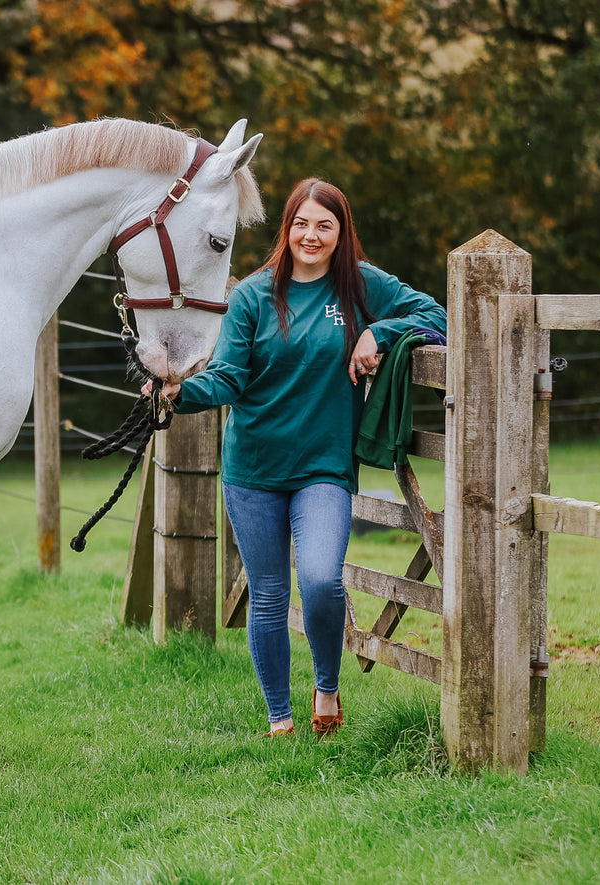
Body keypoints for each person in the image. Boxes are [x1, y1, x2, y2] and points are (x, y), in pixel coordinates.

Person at [151, 178, 446, 737]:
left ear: (341, 232)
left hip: (323, 467)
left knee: (319, 579)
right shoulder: (252, 297)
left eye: (324, 225)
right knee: (267, 592)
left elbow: (441, 317)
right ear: (286, 228)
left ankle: (327, 688)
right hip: (253, 470)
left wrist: (379, 332)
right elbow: (232, 377)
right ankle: (280, 718)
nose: (311, 235)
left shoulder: (360, 287)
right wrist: (180, 392)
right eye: (301, 224)